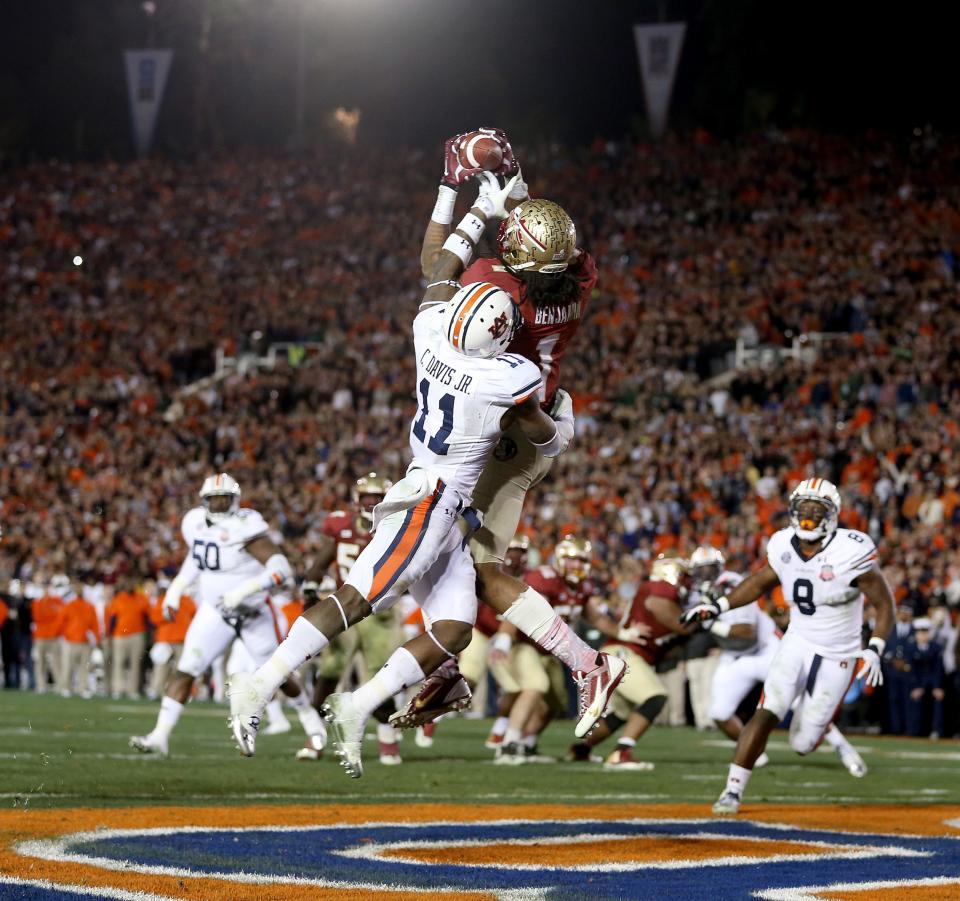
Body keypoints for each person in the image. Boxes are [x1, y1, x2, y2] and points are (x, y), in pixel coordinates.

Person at [228, 173, 573, 777]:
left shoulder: (429, 332)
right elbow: (547, 436)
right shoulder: (508, 376)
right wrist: (563, 430)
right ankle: (258, 686)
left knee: (454, 629)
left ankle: (357, 707)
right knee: (357, 599)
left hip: (435, 494)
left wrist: (477, 209)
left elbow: (440, 271)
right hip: (431, 500)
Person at [394, 128, 625, 738]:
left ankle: (587, 664)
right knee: (440, 547)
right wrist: (515, 182)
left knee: (468, 560)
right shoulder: (581, 276)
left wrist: (458, 188)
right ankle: (447, 667)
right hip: (536, 418)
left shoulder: (499, 288)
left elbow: (434, 269)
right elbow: (542, 240)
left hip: (511, 432)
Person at [683, 478, 895, 815]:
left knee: (802, 743)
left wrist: (875, 647)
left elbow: (884, 604)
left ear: (832, 514)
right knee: (768, 710)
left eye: (817, 510)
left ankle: (818, 725)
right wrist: (719, 606)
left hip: (839, 651)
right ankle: (732, 790)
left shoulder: (850, 551)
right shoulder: (782, 544)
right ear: (793, 511)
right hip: (797, 639)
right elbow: (759, 581)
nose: (809, 516)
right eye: (804, 509)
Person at [130, 473, 324, 756]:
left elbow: (281, 568)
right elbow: (197, 557)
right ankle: (159, 736)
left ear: (235, 500)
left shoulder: (246, 525)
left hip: (253, 612)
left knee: (280, 675)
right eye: (214, 499)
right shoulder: (194, 522)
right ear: (204, 501)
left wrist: (244, 591)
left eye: (224, 499)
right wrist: (177, 588)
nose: (219, 504)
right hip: (215, 611)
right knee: (187, 669)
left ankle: (314, 728)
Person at [693, 545, 867, 776]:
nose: (704, 575)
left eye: (708, 569)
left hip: (767, 651)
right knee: (719, 712)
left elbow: (747, 632)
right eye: (700, 570)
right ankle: (755, 754)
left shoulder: (732, 584)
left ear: (718, 568)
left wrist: (710, 622)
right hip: (735, 657)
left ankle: (842, 747)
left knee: (800, 706)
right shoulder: (698, 592)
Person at [297, 473, 406, 765]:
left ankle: (387, 736)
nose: (371, 504)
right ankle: (316, 734)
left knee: (381, 674)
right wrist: (310, 588)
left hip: (379, 610)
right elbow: (322, 560)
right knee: (330, 670)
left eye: (376, 499)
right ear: (356, 501)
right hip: (345, 605)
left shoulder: (397, 527)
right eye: (366, 498)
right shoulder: (342, 525)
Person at [489, 535, 599, 764]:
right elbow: (518, 606)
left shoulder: (584, 586)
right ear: (560, 559)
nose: (577, 566)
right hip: (524, 644)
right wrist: (503, 640)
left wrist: (623, 632)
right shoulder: (543, 578)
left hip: (549, 652)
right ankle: (508, 744)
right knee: (536, 685)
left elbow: (595, 617)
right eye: (572, 560)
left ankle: (526, 745)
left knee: (556, 702)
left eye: (581, 560)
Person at [568, 553, 683, 770]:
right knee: (655, 697)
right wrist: (693, 624)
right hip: (624, 653)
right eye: (684, 577)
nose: (686, 582)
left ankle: (581, 749)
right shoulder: (659, 588)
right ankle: (621, 753)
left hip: (617, 653)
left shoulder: (658, 593)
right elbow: (664, 610)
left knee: (621, 713)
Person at [105, 576, 151, 699]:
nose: (130, 586)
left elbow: (148, 618)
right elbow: (113, 619)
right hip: (120, 635)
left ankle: (133, 690)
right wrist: (109, 634)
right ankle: (117, 689)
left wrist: (149, 634)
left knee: (135, 664)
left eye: (132, 583)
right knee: (118, 662)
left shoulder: (142, 598)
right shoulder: (118, 598)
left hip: (137, 634)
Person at [58, 579, 100, 698]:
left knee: (84, 667)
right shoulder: (69, 605)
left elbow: (94, 624)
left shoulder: (89, 606)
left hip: (85, 641)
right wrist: (65, 635)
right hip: (71, 641)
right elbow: (62, 622)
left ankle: (82, 688)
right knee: (68, 666)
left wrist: (95, 638)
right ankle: (65, 687)